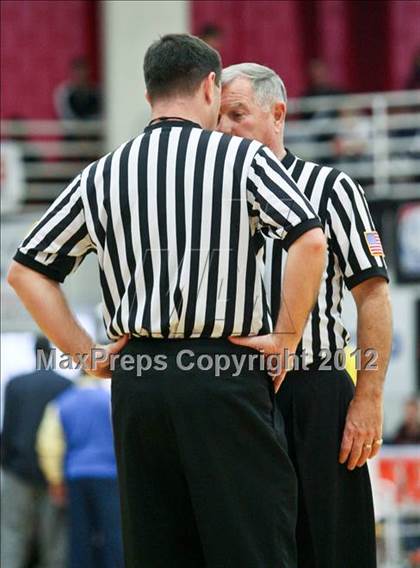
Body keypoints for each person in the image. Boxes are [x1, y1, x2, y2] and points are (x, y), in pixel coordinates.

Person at [7, 34, 327, 567]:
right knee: (252, 545)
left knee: (158, 550)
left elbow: (26, 273)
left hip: (140, 380)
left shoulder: (103, 173)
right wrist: (287, 338)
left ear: (150, 90)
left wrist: (88, 355)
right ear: (209, 86)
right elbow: (310, 240)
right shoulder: (241, 157)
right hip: (225, 368)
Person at [218, 63, 392, 568]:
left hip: (316, 388)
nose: (225, 128)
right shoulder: (209, 199)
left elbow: (374, 297)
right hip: (235, 391)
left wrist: (369, 397)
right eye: (218, 117)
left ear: (278, 114)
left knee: (331, 543)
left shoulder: (330, 188)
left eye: (238, 115)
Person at [36, 374, 123, 568]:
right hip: (109, 474)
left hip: (76, 475)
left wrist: (55, 479)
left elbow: (49, 444)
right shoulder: (109, 399)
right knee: (114, 534)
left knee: (80, 536)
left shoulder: (62, 402)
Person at [1, 336, 71, 568]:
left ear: (34, 352)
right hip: (53, 475)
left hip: (17, 472)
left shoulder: (15, 384)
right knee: (53, 539)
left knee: (12, 533)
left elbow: (8, 428)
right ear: (50, 353)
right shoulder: (64, 385)